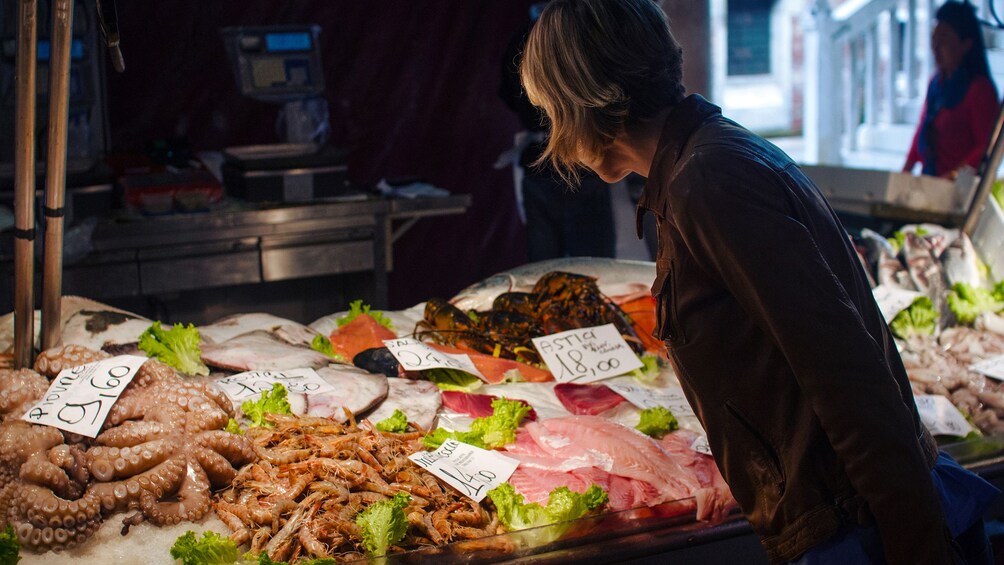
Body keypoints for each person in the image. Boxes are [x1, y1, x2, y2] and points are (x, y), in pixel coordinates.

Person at [519, 1, 999, 564]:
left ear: (587, 102)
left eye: (552, 111)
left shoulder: (711, 182)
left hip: (856, 527)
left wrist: (918, 548)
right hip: (843, 516)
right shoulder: (701, 164)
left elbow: (846, 373)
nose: (554, 132)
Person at [498, 2, 616, 262]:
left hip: (562, 161)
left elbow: (506, 95)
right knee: (590, 266)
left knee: (560, 266)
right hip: (571, 161)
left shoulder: (525, 37)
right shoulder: (580, 37)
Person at [904, 1, 1000, 179]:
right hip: (930, 181)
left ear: (966, 44)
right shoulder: (936, 84)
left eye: (944, 40)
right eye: (934, 39)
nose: (936, 47)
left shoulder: (980, 90)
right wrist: (904, 173)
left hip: (960, 192)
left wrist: (951, 178)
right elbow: (922, 131)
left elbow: (985, 149)